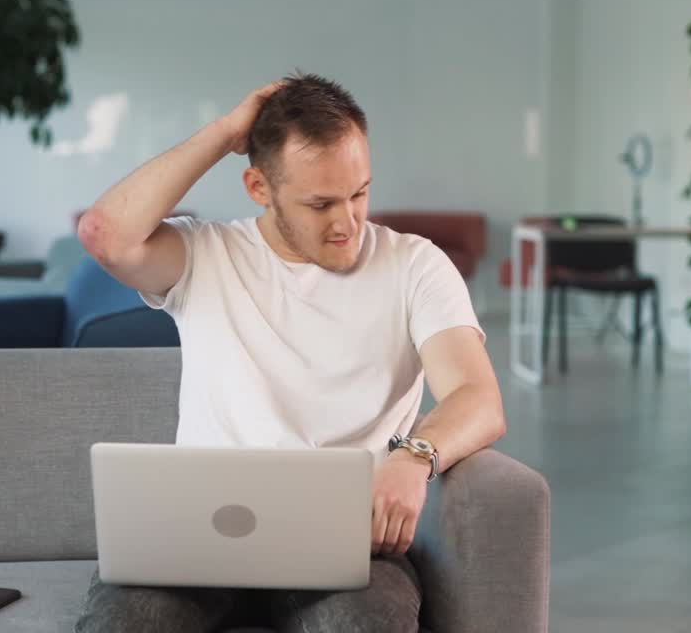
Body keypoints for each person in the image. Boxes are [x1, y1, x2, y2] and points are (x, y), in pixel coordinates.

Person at [74, 72, 506, 633]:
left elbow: (478, 398)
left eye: (359, 193)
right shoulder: (207, 255)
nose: (348, 222)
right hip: (197, 544)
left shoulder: (415, 266)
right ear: (259, 187)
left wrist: (414, 456)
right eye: (321, 203)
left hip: (345, 545)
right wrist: (225, 132)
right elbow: (105, 233)